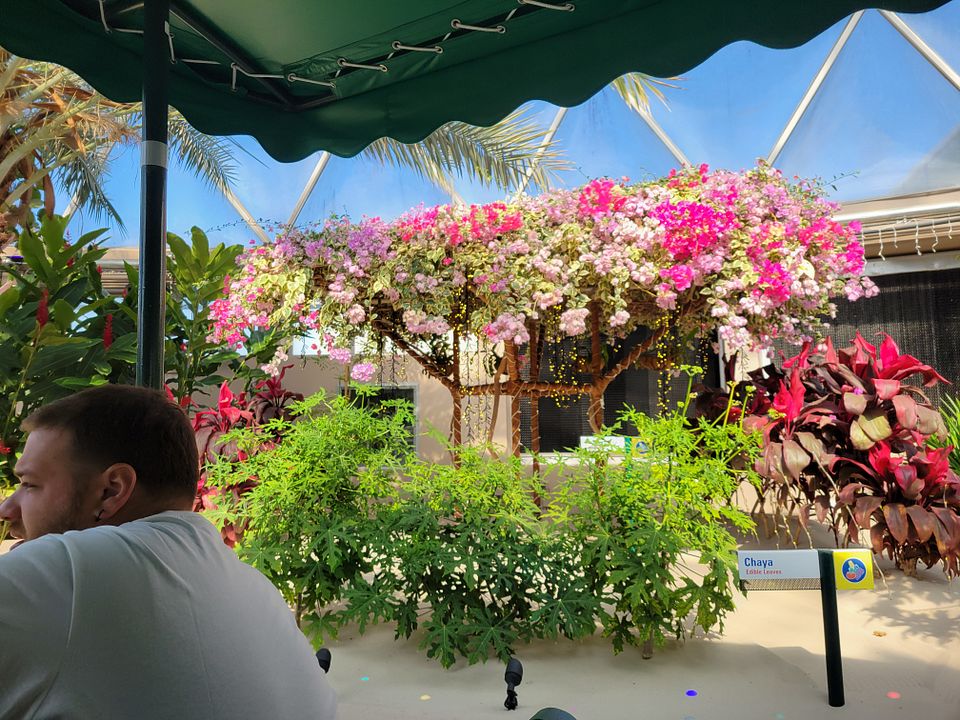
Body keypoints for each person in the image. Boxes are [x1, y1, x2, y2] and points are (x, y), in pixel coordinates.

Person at [0, 384, 337, 720]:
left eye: (29, 484)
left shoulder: (67, 572)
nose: (6, 509)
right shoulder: (257, 589)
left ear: (111, 491)